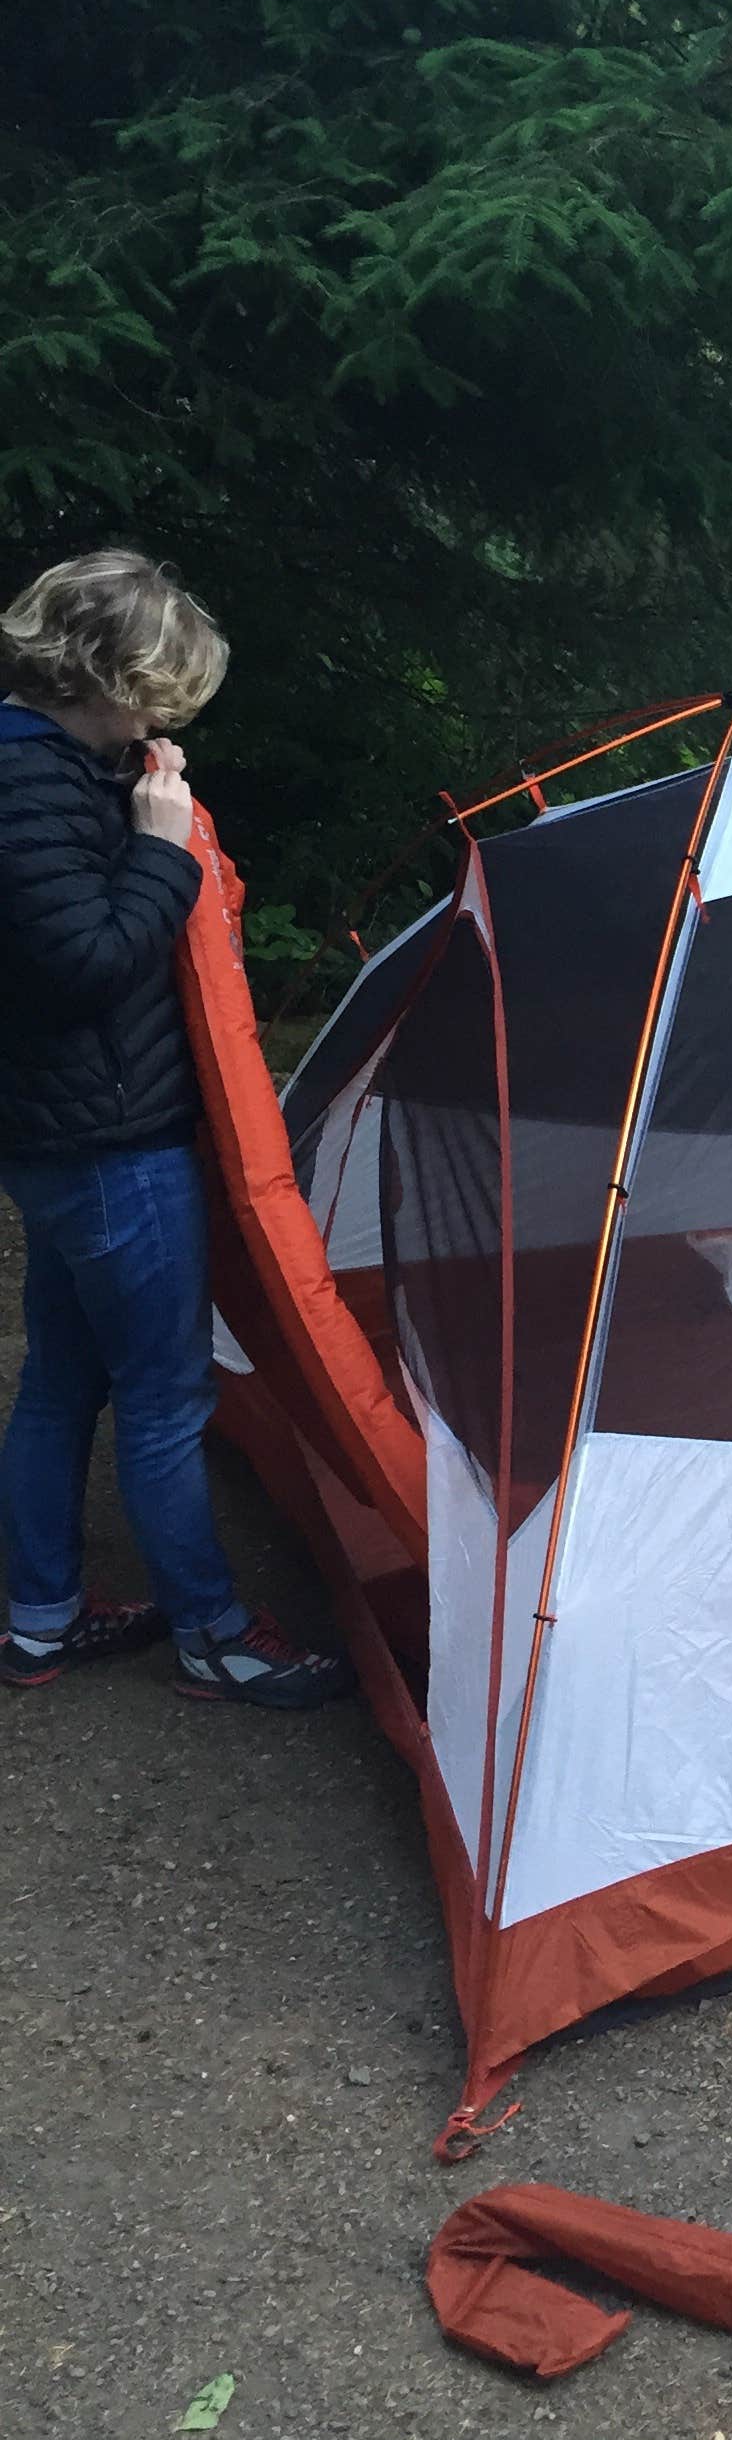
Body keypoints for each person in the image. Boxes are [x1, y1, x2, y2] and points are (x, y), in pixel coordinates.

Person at [0, 549, 351, 1706]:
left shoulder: (49, 767)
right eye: (157, 693)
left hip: (62, 1138)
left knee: (62, 1383)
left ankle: (43, 1622)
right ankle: (213, 1633)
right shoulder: (29, 786)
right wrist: (160, 844)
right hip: (108, 1147)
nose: (162, 716)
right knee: (162, 1397)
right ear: (106, 672)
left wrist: (133, 799)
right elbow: (89, 964)